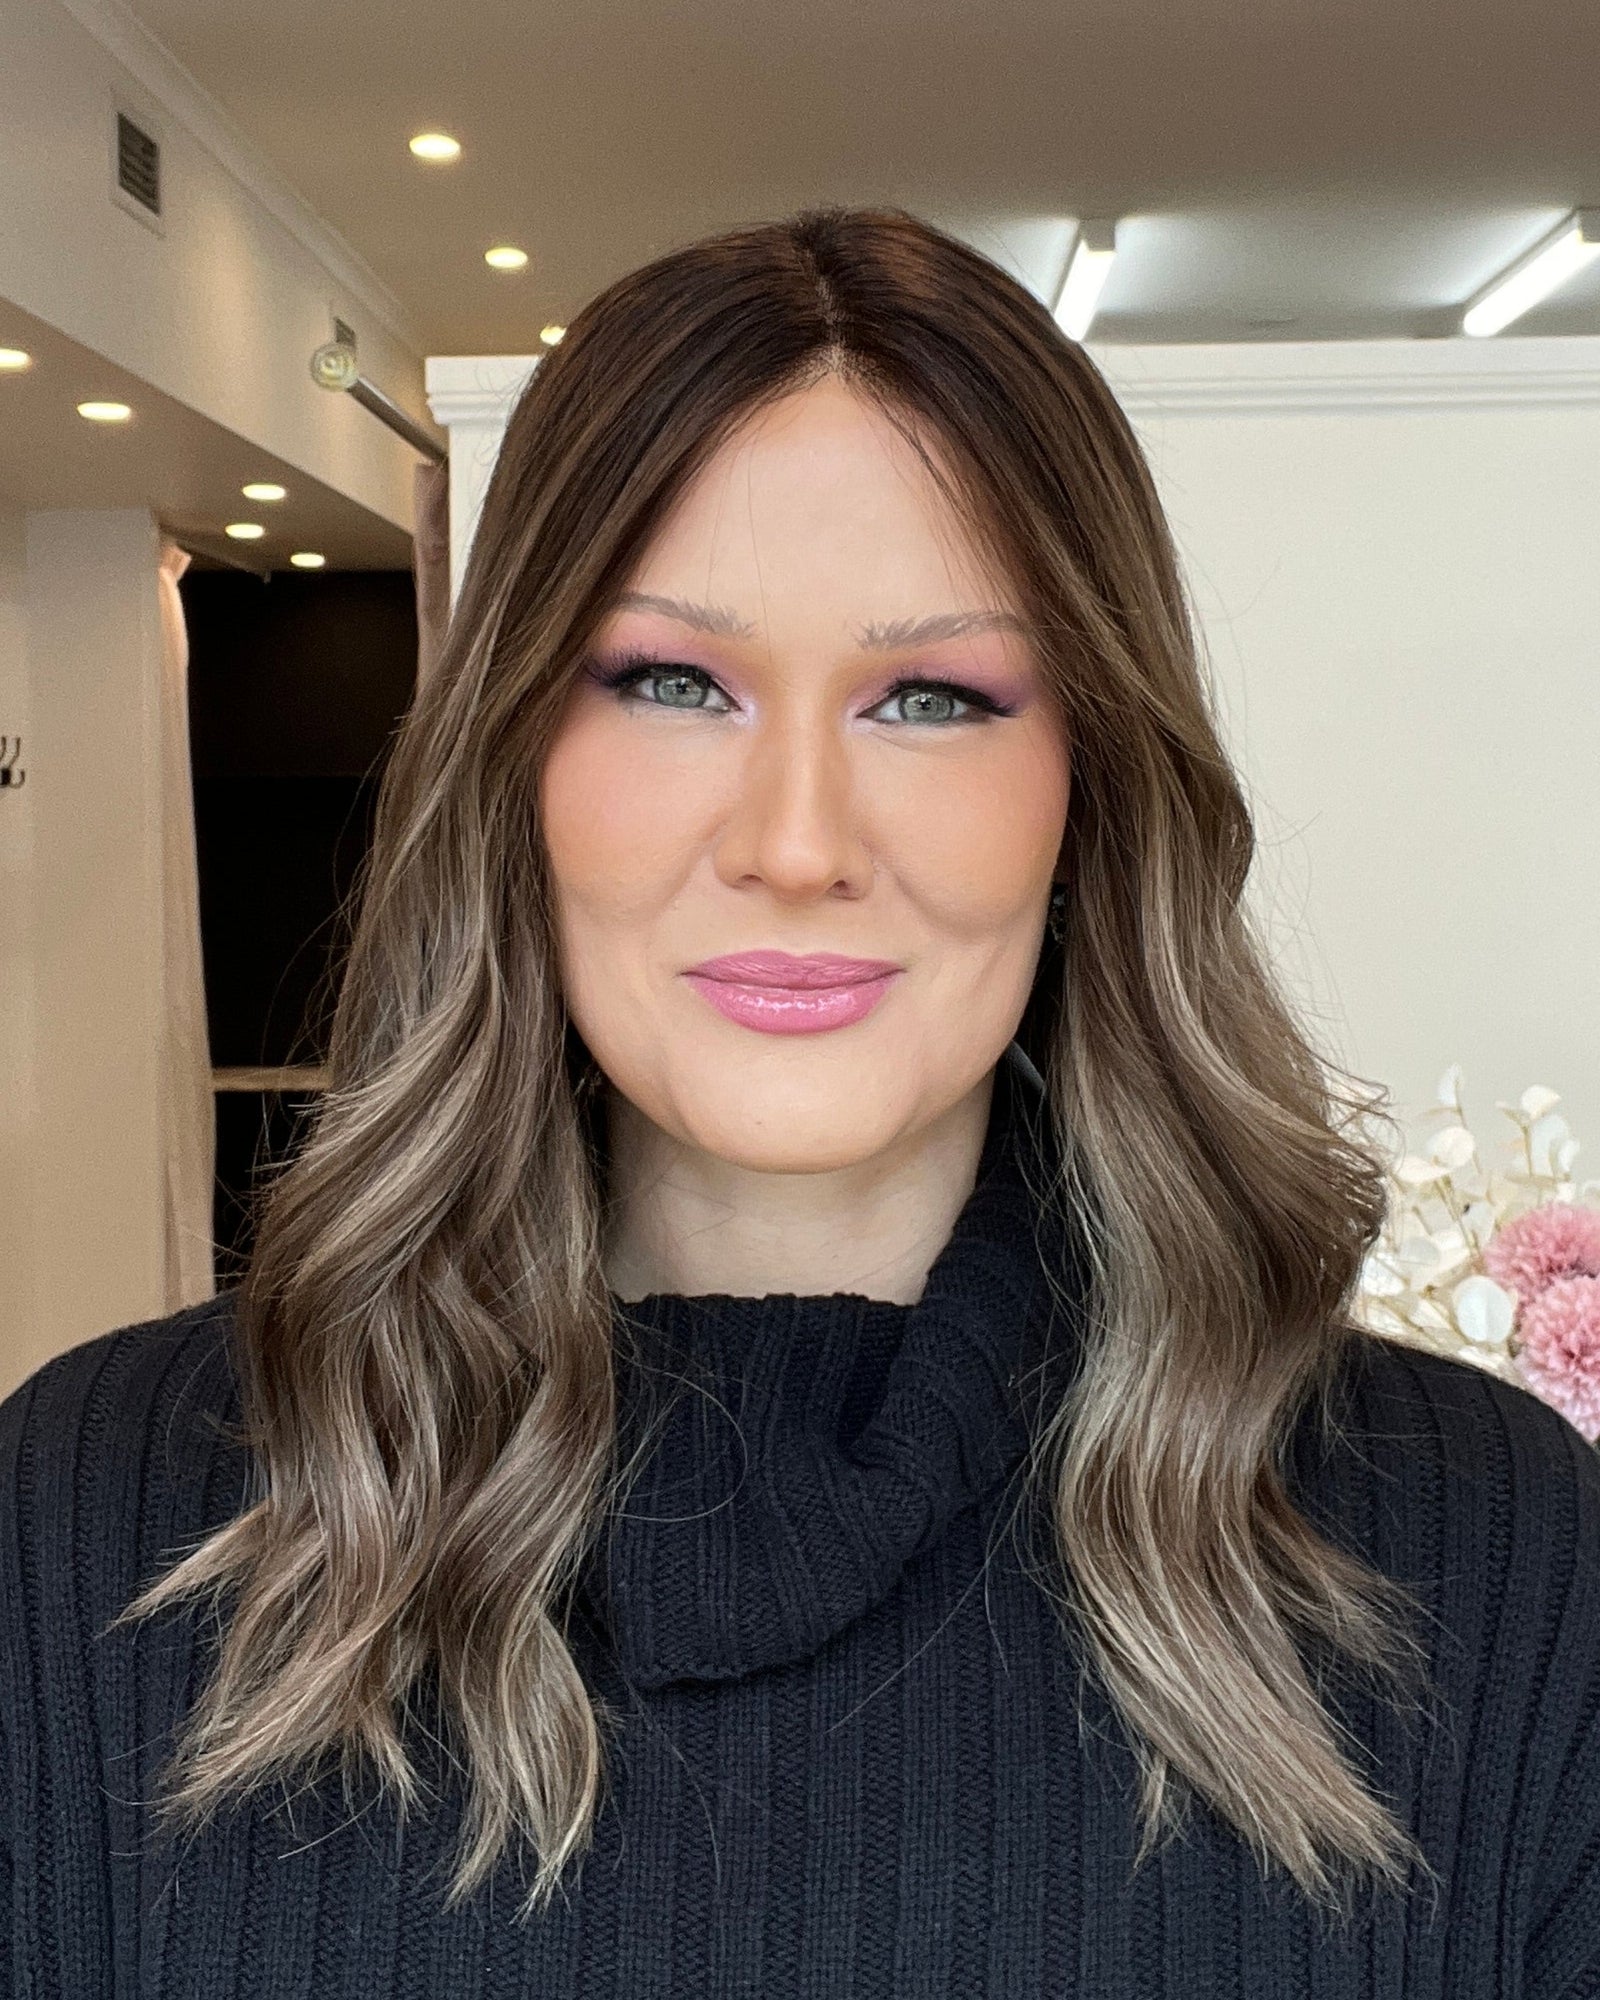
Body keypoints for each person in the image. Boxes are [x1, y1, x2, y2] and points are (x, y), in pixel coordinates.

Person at [3, 206, 1598, 1999]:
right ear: (517, 756)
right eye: (674, 681)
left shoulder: (1486, 1555)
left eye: (929, 697)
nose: (794, 843)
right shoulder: (96, 1520)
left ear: (1090, 786)